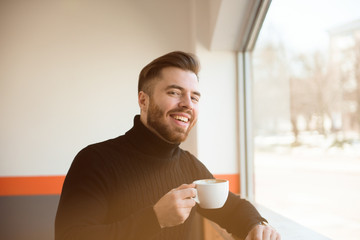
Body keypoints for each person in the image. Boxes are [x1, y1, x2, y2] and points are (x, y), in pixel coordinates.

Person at [55, 51, 280, 240]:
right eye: (174, 92)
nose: (187, 104)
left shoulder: (190, 166)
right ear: (143, 100)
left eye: (195, 97)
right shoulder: (95, 160)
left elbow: (232, 208)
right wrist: (155, 219)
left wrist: (257, 225)